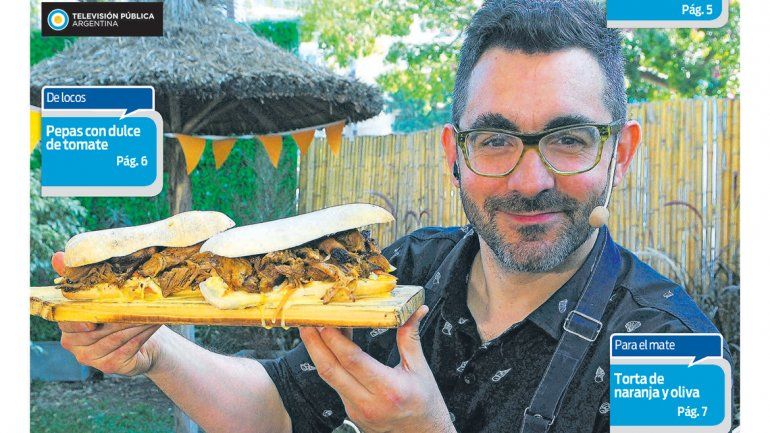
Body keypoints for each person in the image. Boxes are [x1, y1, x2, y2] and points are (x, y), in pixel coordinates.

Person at [53, 1, 733, 432]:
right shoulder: (403, 275)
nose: (531, 180)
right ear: (453, 153)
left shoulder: (670, 349)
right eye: (495, 139)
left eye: (569, 138)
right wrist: (155, 351)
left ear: (621, 152)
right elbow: (278, 408)